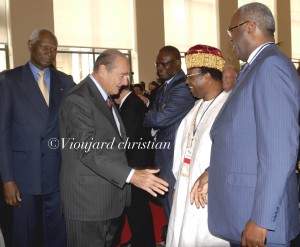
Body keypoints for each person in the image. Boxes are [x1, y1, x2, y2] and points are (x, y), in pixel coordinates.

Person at [190, 3, 300, 247]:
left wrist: (261, 220)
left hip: (258, 216)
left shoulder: (270, 67)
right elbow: (244, 137)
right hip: (243, 205)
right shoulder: (255, 67)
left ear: (250, 27)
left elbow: (279, 151)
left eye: (232, 31)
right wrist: (213, 171)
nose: (230, 39)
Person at [59, 49, 169, 247]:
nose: (126, 82)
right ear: (102, 69)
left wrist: (135, 170)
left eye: (128, 76)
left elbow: (113, 145)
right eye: (122, 75)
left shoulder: (104, 97)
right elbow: (88, 150)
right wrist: (131, 175)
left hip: (108, 201)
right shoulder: (79, 98)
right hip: (88, 204)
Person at [0, 28, 75, 247]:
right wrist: (7, 180)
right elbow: (2, 133)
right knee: (25, 238)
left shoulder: (66, 81)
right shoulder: (8, 80)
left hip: (57, 176)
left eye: (54, 49)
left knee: (56, 237)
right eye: (45, 47)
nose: (50, 53)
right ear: (30, 44)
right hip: (24, 178)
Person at [166, 44, 230, 247]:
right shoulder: (196, 107)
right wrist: (179, 183)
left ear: (208, 76)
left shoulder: (228, 108)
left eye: (191, 76)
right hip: (186, 188)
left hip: (209, 194)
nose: (187, 82)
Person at [144, 45, 195, 241]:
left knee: (176, 213)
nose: (159, 68)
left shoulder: (182, 86)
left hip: (174, 157)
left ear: (177, 63)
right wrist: (156, 113)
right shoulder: (166, 86)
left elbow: (159, 119)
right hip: (164, 155)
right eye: (157, 64)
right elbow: (158, 113)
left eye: (164, 64)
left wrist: (150, 114)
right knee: (169, 212)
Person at [113, 84, 156, 247]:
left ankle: (144, 242)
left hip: (136, 166)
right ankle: (140, 240)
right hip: (137, 165)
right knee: (137, 210)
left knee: (138, 210)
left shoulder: (130, 106)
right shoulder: (132, 102)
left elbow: (127, 141)